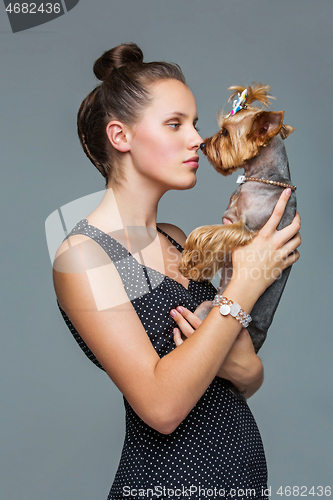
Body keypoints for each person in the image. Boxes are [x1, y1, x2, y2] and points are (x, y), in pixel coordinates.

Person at [53, 43, 301, 499]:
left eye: (195, 124)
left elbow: (235, 374)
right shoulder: (86, 256)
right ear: (120, 136)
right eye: (175, 124)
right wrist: (245, 284)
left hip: (242, 479)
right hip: (169, 485)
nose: (196, 139)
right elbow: (162, 406)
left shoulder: (175, 237)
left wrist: (247, 370)